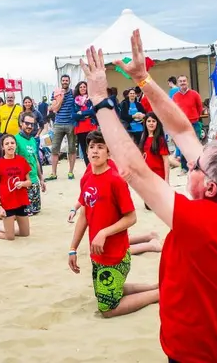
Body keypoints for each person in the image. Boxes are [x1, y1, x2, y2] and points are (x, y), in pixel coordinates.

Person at [81, 31, 217, 362]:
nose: (190, 163)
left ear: (210, 188)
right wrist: (144, 79)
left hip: (200, 353)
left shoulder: (203, 221)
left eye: (196, 167)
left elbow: (134, 169)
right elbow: (182, 131)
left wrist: (100, 100)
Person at [68, 131, 159, 318]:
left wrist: (104, 233)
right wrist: (73, 248)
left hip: (116, 254)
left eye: (100, 147)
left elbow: (131, 217)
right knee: (106, 292)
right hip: (97, 254)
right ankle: (153, 287)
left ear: (108, 153)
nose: (95, 151)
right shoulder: (86, 178)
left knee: (108, 309)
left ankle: (159, 294)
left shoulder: (115, 181)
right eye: (91, 147)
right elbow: (84, 215)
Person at [14, 112, 46, 216]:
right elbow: (12, 162)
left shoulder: (32, 140)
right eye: (27, 123)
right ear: (21, 123)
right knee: (22, 214)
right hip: (23, 184)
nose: (29, 126)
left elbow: (35, 160)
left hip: (34, 183)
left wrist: (41, 179)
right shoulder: (15, 140)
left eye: (32, 124)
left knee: (35, 211)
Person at [48, 75, 77, 181]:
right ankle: (53, 173)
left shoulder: (74, 93)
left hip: (71, 124)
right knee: (55, 149)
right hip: (58, 123)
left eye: (66, 80)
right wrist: (61, 98)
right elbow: (54, 109)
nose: (65, 82)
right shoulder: (56, 93)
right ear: (61, 82)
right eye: (63, 80)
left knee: (72, 149)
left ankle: (70, 172)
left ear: (69, 81)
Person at [172, 75, 204, 173]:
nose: (182, 83)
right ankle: (184, 168)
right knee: (183, 148)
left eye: (184, 81)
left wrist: (195, 117)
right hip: (182, 126)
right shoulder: (175, 96)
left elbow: (200, 108)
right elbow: (174, 111)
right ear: (178, 83)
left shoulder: (194, 94)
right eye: (180, 81)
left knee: (196, 146)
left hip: (194, 124)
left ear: (187, 82)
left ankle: (198, 168)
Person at [139, 112, 170, 185]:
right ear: (145, 123)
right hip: (147, 176)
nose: (151, 123)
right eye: (149, 121)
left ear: (157, 123)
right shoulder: (143, 138)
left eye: (154, 121)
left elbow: (166, 161)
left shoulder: (160, 140)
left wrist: (166, 179)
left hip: (159, 176)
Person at [73, 81, 97, 165]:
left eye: (84, 86)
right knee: (85, 151)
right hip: (80, 129)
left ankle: (95, 167)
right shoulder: (74, 101)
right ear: (78, 89)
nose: (83, 88)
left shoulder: (91, 99)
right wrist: (86, 114)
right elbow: (73, 116)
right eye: (81, 87)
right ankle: (89, 169)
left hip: (91, 127)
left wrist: (82, 113)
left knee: (93, 149)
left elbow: (93, 112)